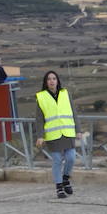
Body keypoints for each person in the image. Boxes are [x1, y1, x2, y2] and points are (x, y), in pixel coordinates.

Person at [35, 70, 77, 199]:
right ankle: (59, 188)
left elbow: (74, 112)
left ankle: (65, 179)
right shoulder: (41, 97)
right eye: (49, 79)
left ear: (57, 80)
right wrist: (40, 136)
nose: (52, 81)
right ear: (46, 82)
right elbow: (39, 118)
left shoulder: (65, 94)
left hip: (68, 132)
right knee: (58, 160)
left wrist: (79, 130)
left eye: (54, 78)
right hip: (52, 134)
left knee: (71, 158)